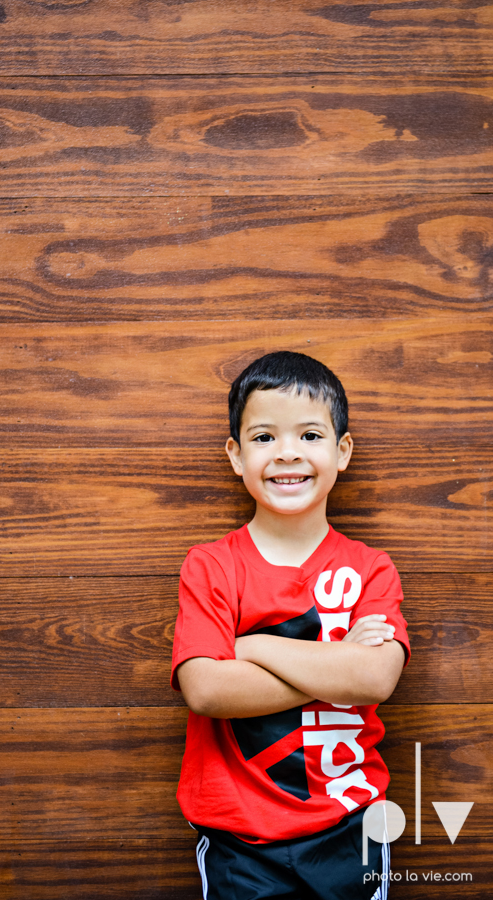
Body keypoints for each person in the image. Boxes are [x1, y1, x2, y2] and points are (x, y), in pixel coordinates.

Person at [171, 351, 410, 900]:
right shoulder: (211, 565)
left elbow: (374, 680)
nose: (286, 454)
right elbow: (207, 688)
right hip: (240, 838)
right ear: (235, 455)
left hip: (352, 829)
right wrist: (337, 662)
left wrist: (249, 646)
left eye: (309, 435)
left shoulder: (371, 567)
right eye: (262, 438)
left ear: (342, 450)